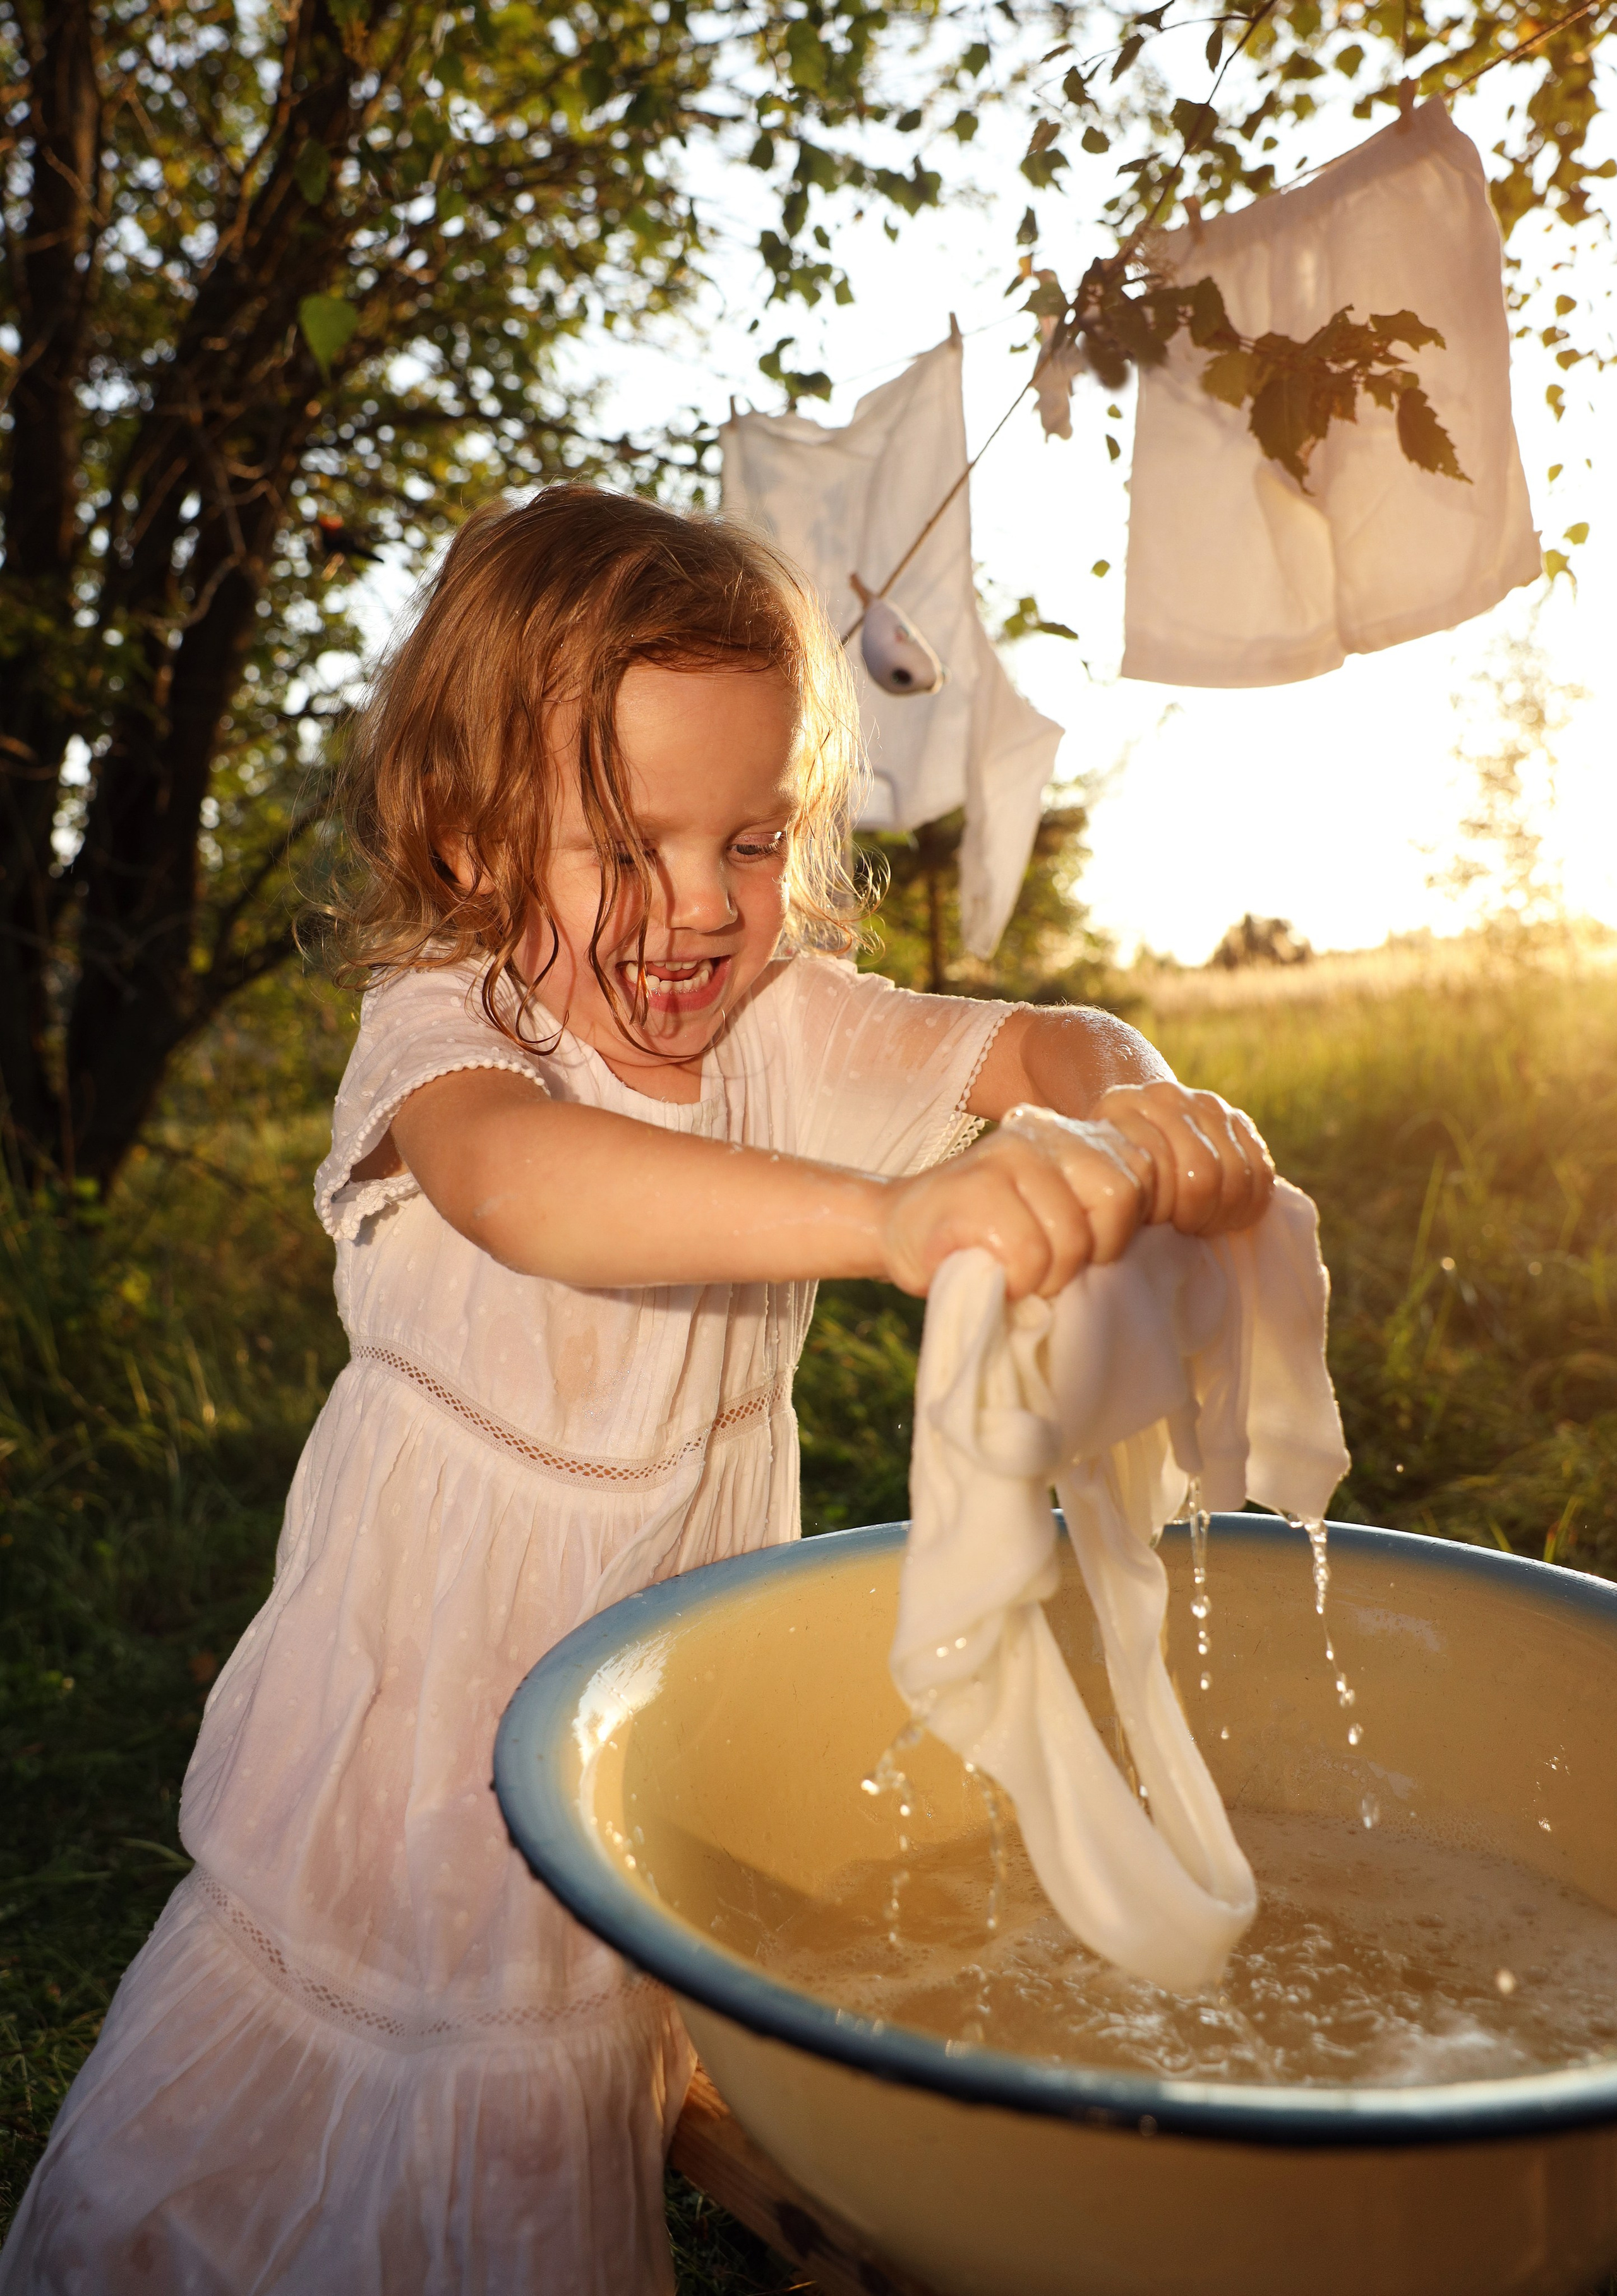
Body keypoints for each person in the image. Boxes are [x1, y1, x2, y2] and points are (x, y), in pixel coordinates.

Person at [0, 486, 1272, 2295]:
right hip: (419, 1721)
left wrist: (1135, 1091)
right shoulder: (454, 1030)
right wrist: (884, 1213)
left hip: (648, 1706)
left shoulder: (784, 1028)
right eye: (627, 840)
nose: (698, 911)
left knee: (582, 2035)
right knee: (380, 2066)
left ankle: (651, 2119)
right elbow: (530, 1188)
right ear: (467, 826)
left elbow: (1031, 1041)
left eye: (752, 843)